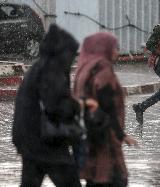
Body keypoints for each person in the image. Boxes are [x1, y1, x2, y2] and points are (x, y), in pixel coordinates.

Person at [12, 24, 82, 186]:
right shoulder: (51, 70)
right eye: (71, 54)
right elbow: (56, 106)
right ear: (63, 53)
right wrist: (78, 106)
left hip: (27, 139)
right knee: (70, 182)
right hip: (46, 143)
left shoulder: (38, 67)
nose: (72, 59)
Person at [73, 32, 137, 187]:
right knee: (116, 179)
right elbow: (109, 107)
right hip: (106, 141)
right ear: (104, 48)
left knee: (94, 180)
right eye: (114, 48)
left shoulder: (83, 70)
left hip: (88, 139)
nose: (117, 52)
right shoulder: (103, 70)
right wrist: (122, 135)